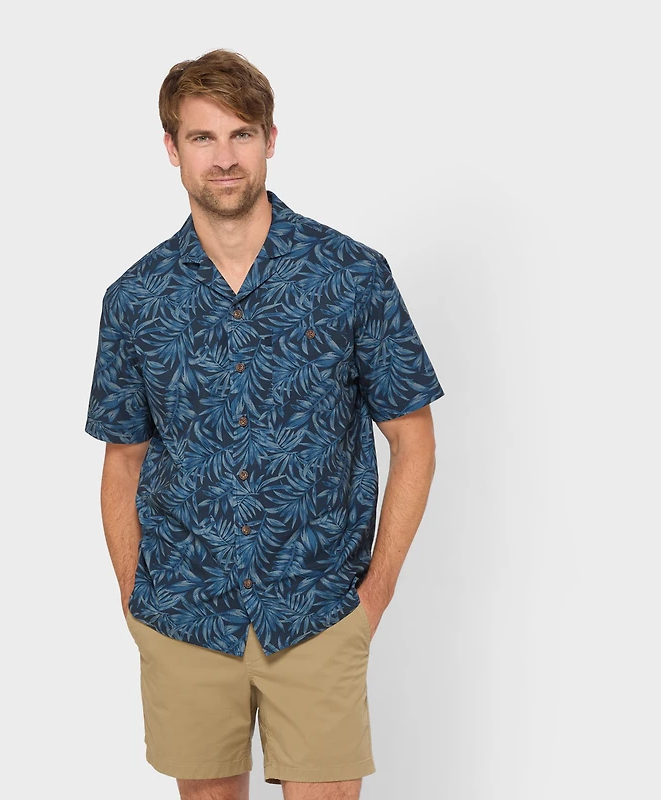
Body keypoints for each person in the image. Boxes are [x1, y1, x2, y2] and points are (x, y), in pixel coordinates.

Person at [85, 48, 445, 800]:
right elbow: (123, 460)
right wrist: (134, 599)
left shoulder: (351, 276)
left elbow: (413, 439)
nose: (224, 158)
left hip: (317, 610)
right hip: (183, 613)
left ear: (270, 139)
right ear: (171, 148)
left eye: (241, 134)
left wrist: (374, 593)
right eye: (202, 137)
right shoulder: (136, 299)